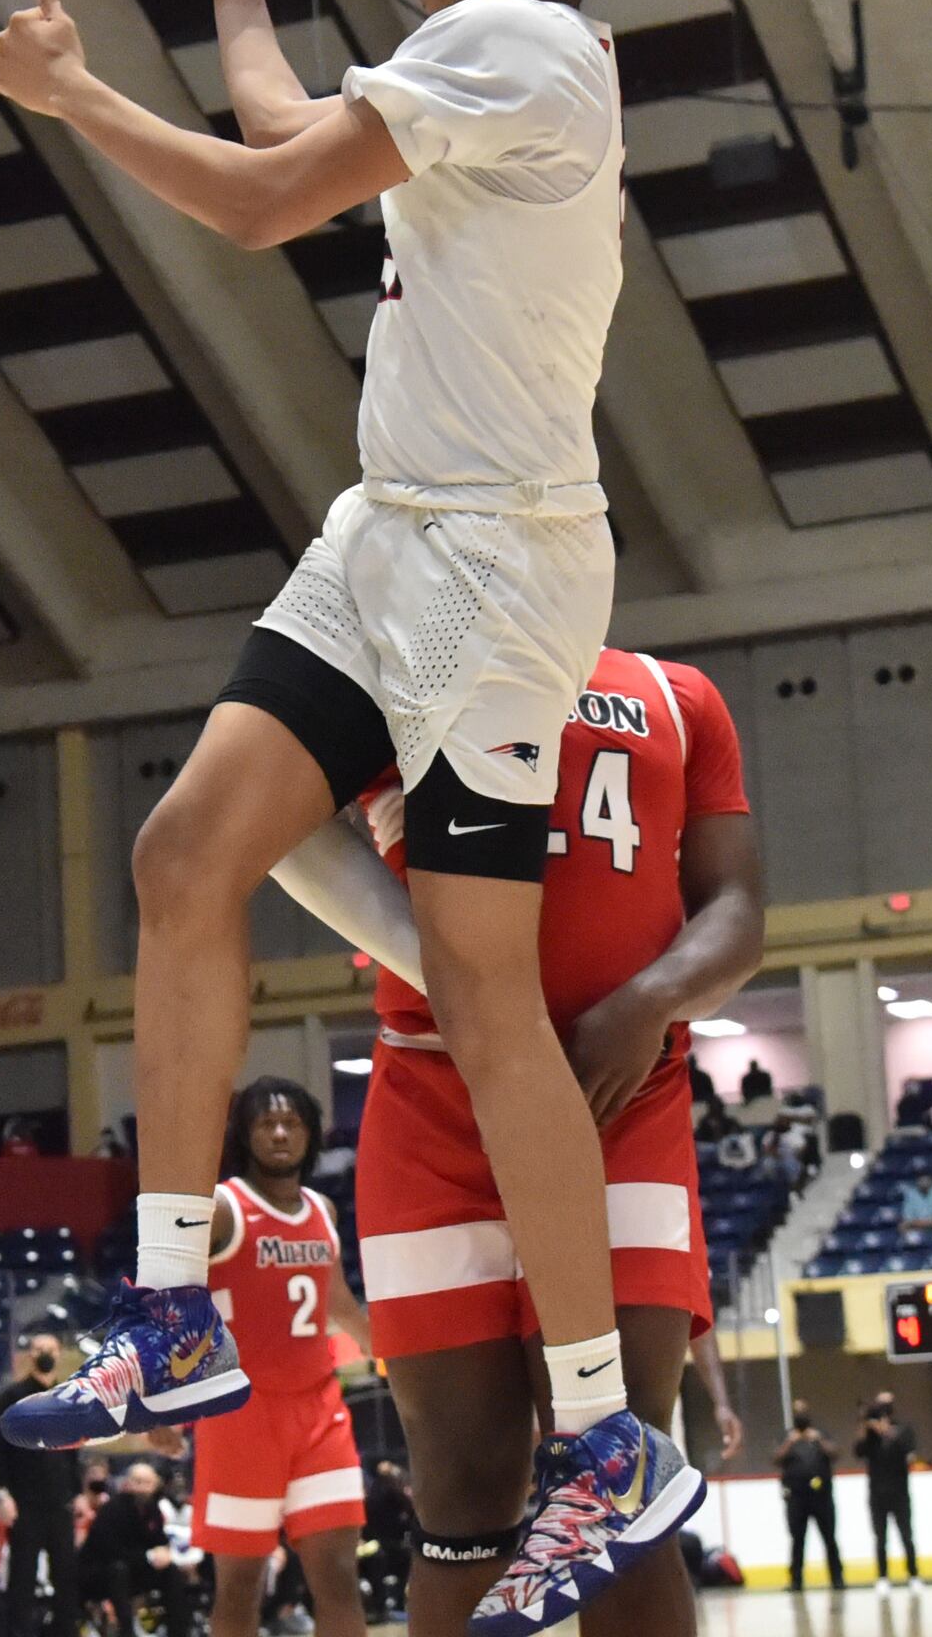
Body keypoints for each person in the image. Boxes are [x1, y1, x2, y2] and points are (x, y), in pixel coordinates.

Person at [0, 0, 733, 1635]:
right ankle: (172, 1315)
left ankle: (610, 1443)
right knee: (187, 857)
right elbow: (288, 134)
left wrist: (72, 92)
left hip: (495, 570)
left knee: (484, 1003)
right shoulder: (478, 64)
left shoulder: (524, 44)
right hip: (389, 535)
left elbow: (254, 207)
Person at [273, 645, 764, 1637]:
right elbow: (279, 824)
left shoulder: (679, 696)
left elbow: (739, 909)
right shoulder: (399, 668)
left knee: (617, 1482)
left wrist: (652, 1000)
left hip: (618, 1093)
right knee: (459, 1490)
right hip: (430, 1105)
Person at [181, 1081, 367, 1637]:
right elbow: (169, 1301)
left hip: (320, 1412)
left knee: (337, 1575)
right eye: (266, 1123)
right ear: (245, 1133)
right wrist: (159, 1401)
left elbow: (339, 1304)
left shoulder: (324, 1208)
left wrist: (400, 1355)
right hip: (241, 1416)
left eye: (292, 1123)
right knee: (240, 1586)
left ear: (310, 1134)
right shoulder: (221, 1206)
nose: (280, 1132)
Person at [0, 1336, 84, 1637]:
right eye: (40, 1351)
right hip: (24, 1501)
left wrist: (78, 1492)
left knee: (66, 1577)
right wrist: (1, 1493)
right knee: (23, 1577)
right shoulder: (11, 1397)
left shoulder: (68, 1395)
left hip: (60, 1503)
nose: (46, 1355)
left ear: (60, 1354)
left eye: (52, 1350)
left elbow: (74, 1449)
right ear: (30, 1356)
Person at [75, 1461, 189, 1636]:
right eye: (138, 1482)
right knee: (118, 1570)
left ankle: (179, 1632)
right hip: (100, 1573)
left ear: (155, 1485)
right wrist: (148, 1556)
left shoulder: (153, 1509)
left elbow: (159, 1541)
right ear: (127, 1483)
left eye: (147, 1483)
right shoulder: (112, 1509)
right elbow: (109, 1551)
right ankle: (126, 1632)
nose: (142, 1488)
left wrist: (164, 1553)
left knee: (171, 1571)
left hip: (135, 1570)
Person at [856, 1394, 919, 1590]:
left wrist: (888, 1432)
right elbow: (858, 1451)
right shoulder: (870, 1437)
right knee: (880, 1537)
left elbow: (909, 1453)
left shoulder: (903, 1430)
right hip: (877, 1493)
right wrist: (867, 1427)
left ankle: (913, 1575)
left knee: (906, 1535)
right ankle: (882, 1576)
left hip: (900, 1491)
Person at [774, 1408, 839, 1591]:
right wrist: (790, 1442)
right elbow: (776, 1458)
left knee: (829, 1538)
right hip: (796, 1496)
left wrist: (818, 1439)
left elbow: (835, 1453)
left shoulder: (819, 1436)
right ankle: (796, 1580)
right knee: (797, 1540)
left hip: (822, 1496)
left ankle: (837, 1578)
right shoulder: (788, 1437)